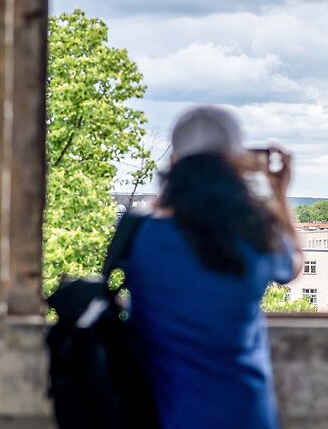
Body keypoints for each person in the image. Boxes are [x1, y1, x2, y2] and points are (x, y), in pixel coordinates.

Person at [124, 106, 303, 429]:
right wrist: (278, 192)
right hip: (244, 412)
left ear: (174, 164)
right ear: (235, 164)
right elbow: (292, 267)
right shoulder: (257, 236)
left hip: (160, 413)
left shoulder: (140, 235)